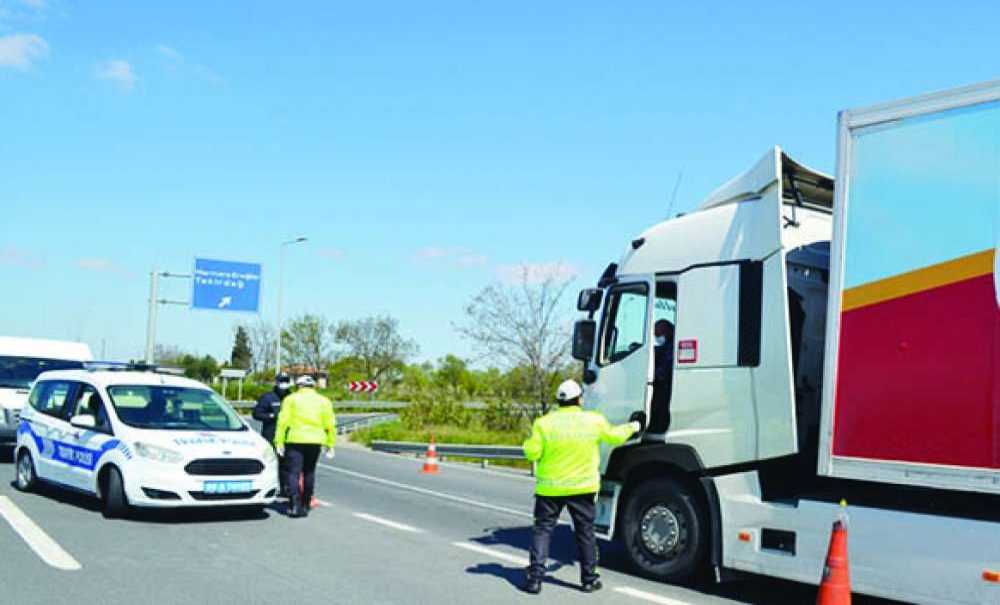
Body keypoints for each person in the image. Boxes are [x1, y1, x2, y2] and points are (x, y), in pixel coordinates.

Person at [521, 380, 643, 595]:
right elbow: (615, 436)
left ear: (559, 401)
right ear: (579, 399)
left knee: (542, 531)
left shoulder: (543, 423)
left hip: (550, 489)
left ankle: (535, 580)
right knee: (585, 533)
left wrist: (528, 443)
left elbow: (532, 453)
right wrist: (635, 425)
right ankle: (589, 579)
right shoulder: (593, 420)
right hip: (582, 488)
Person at [274, 374, 336, 518]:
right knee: (309, 472)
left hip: (295, 439)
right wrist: (330, 443)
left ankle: (295, 505)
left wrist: (279, 441)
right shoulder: (324, 401)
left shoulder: (291, 399)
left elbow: (282, 422)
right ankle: (306, 504)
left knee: (293, 473)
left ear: (299, 386)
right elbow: (330, 424)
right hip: (315, 440)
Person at [253, 373, 294, 496]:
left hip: (289, 436)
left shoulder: (292, 397)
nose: (283, 384)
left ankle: (285, 489)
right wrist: (272, 416)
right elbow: (256, 414)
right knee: (271, 462)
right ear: (276, 382)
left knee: (287, 464)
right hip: (271, 435)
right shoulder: (268, 397)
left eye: (286, 381)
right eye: (281, 381)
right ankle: (269, 488)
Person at [650, 319, 675, 433]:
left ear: (667, 331)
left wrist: (653, 375)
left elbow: (665, 369)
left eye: (659, 334)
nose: (657, 337)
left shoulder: (672, 347)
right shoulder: (668, 345)